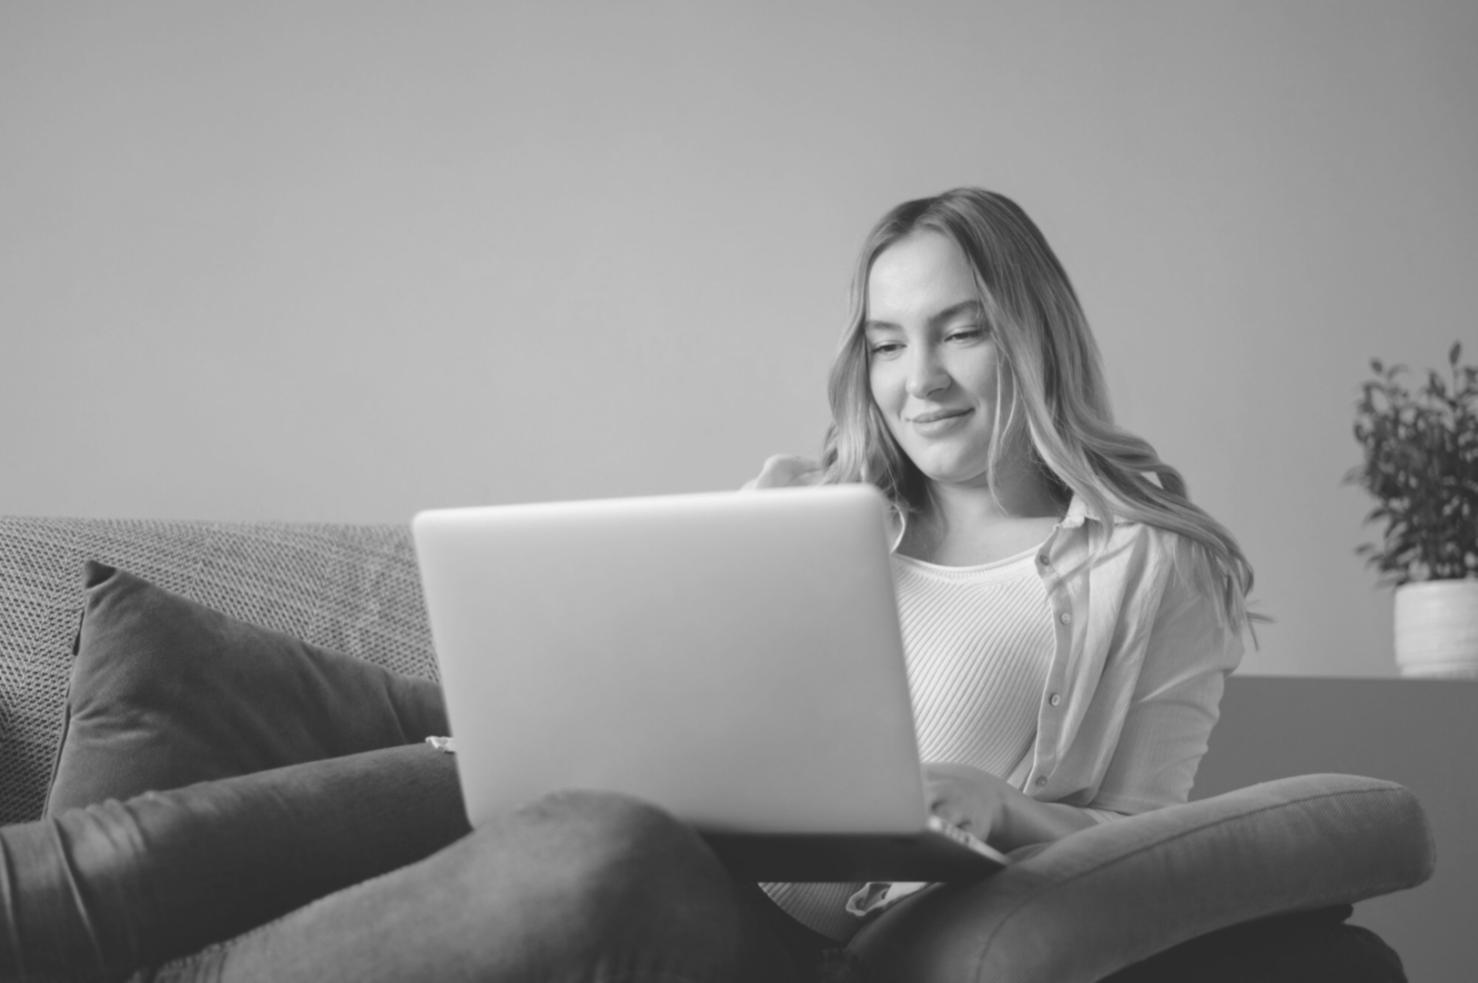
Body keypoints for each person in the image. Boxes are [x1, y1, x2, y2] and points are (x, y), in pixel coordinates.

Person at [0, 188, 1253, 983]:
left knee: (602, 846)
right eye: (884, 341)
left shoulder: (1153, 563)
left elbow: (1159, 844)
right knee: (468, 778)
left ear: (1032, 328)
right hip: (643, 796)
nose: (915, 375)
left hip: (790, 917)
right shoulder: (803, 512)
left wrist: (999, 802)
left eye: (958, 328)